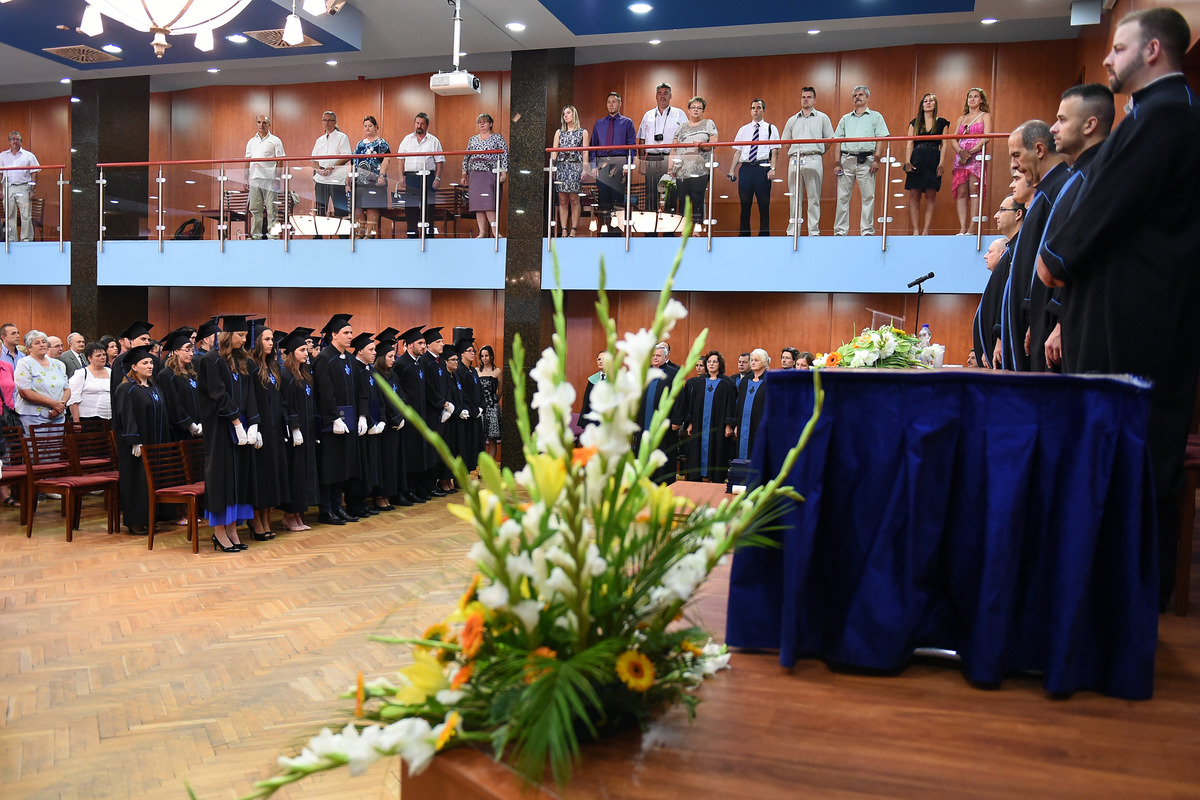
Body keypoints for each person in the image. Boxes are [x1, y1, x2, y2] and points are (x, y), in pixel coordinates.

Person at [1037, 7, 1200, 610]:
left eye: (1118, 47)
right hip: (1125, 315)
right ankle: (1108, 592)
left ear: (1153, 50)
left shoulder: (1166, 115)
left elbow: (1106, 204)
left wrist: (1055, 259)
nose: (1107, 58)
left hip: (1140, 323)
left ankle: (1127, 601)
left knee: (1133, 457)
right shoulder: (1153, 113)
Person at [1034, 83, 1115, 372]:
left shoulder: (1098, 176)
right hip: (1073, 317)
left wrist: (1058, 321)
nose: (1053, 128)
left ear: (1089, 125)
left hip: (1089, 321)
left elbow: (1067, 260)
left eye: (1062, 119)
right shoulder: (1078, 175)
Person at [1002, 121, 1067, 373]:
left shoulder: (1060, 189)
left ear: (1039, 150)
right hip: (1038, 324)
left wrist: (1056, 321)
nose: (1014, 165)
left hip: (1048, 328)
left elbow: (1064, 259)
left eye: (1017, 155)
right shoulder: (1045, 193)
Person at [197, 315, 259, 552]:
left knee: (239, 476)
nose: (243, 340)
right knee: (222, 477)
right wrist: (235, 422)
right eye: (240, 335)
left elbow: (250, 393)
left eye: (245, 335)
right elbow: (218, 394)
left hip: (241, 426)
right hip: (221, 428)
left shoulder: (241, 360)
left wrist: (253, 423)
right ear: (227, 335)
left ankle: (233, 528)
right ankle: (219, 532)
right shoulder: (211, 360)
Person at [113, 345, 169, 536]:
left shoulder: (153, 387)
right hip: (136, 445)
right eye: (145, 363)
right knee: (137, 481)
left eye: (151, 362)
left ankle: (151, 517)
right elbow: (126, 415)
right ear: (134, 367)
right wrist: (134, 439)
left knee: (151, 480)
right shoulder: (126, 389)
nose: (150, 366)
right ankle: (135, 520)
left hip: (155, 442)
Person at [311, 313, 361, 525]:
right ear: (334, 335)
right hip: (330, 424)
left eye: (351, 332)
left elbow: (357, 390)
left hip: (348, 422)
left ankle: (338, 507)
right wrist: (333, 418)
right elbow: (324, 391)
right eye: (346, 333)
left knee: (343, 466)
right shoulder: (324, 358)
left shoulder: (350, 359)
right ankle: (326, 509)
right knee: (330, 467)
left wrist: (361, 416)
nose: (350, 336)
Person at [973, 187, 1027, 370]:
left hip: (1007, 347)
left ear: (1018, 214)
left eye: (1002, 210)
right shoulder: (1012, 250)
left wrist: (1000, 338)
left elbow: (1011, 297)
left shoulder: (1019, 251)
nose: (996, 215)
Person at [248, 324, 288, 539]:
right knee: (260, 476)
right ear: (256, 342)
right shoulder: (250, 366)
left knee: (271, 474)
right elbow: (250, 399)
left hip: (274, 430)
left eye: (272, 339)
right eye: (266, 339)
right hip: (259, 430)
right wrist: (255, 426)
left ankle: (265, 518)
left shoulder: (272, 367)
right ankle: (255, 519)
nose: (271, 343)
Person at [833, 85, 889, 236]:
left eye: (861, 94)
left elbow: (881, 139)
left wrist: (877, 160)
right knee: (842, 197)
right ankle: (840, 231)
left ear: (868, 98)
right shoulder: (845, 118)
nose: (857, 97)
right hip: (847, 159)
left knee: (868, 196)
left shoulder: (876, 117)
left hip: (867, 159)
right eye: (855, 95)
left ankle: (867, 231)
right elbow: (837, 141)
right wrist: (837, 162)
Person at [278, 327, 318, 532]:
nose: (306, 353)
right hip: (295, 434)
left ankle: (299, 515)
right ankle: (289, 516)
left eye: (306, 350)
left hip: (308, 432)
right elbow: (286, 404)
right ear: (292, 352)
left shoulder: (305, 374)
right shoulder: (286, 374)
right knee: (295, 475)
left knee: (304, 475)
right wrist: (294, 427)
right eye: (302, 350)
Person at [781, 87, 835, 237]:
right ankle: (793, 232)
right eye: (803, 97)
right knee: (794, 197)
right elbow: (785, 142)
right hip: (795, 159)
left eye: (809, 97)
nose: (805, 99)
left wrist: (818, 151)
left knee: (814, 197)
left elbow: (830, 140)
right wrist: (794, 153)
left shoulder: (822, 118)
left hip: (813, 158)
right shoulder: (792, 120)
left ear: (814, 100)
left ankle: (813, 232)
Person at [726, 99, 780, 236]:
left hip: (762, 168)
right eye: (753, 108)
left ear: (764, 110)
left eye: (758, 107)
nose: (755, 110)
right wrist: (732, 170)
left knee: (763, 204)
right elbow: (738, 152)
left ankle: (764, 235)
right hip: (745, 169)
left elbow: (774, 151)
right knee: (745, 204)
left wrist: (773, 169)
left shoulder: (770, 128)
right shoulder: (744, 129)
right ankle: (744, 235)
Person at [638, 82, 687, 228]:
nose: (662, 96)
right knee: (651, 196)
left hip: (670, 159)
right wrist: (641, 162)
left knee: (670, 195)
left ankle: (668, 232)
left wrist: (680, 162)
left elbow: (685, 138)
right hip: (652, 158)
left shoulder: (679, 114)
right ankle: (650, 231)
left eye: (666, 93)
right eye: (659, 93)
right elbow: (641, 140)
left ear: (671, 96)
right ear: (656, 96)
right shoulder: (648, 115)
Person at [682, 351, 736, 482]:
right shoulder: (699, 383)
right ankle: (698, 480)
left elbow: (731, 405)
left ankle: (715, 481)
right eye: (709, 362)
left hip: (718, 427)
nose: (711, 364)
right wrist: (690, 423)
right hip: (699, 426)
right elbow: (693, 404)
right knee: (697, 453)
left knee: (717, 453)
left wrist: (729, 424)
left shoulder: (727, 383)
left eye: (714, 362)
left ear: (720, 364)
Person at [371, 332, 411, 509]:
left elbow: (401, 397)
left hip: (397, 425)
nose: (393, 360)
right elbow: (381, 401)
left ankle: (393, 493)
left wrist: (402, 415)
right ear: (381, 358)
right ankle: (380, 496)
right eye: (389, 356)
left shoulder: (393, 375)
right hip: (385, 426)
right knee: (385, 461)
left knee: (396, 461)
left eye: (393, 356)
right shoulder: (376, 376)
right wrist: (394, 418)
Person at [345, 331, 382, 519]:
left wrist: (379, 419)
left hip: (371, 425)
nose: (375, 353)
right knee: (358, 467)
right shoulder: (355, 369)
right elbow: (359, 398)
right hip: (359, 425)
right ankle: (355, 504)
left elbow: (376, 398)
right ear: (360, 351)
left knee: (369, 466)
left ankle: (364, 501)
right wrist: (365, 418)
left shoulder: (370, 370)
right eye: (371, 349)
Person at [903, 93, 950, 236]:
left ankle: (926, 230)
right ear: (922, 104)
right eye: (925, 101)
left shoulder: (942, 122)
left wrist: (941, 164)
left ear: (935, 104)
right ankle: (916, 230)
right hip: (917, 158)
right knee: (914, 196)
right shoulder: (914, 122)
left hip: (933, 159)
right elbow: (909, 143)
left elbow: (944, 145)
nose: (928, 103)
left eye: (931, 101)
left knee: (931, 196)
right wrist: (907, 161)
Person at [590, 92, 637, 237]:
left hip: (619, 163)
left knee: (617, 201)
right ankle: (604, 233)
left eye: (614, 101)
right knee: (604, 201)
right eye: (609, 102)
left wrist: (628, 165)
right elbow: (593, 146)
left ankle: (616, 234)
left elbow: (632, 147)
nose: (611, 104)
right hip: (602, 164)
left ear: (620, 104)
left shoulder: (627, 122)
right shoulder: (599, 123)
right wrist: (593, 166)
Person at [396, 325, 433, 502]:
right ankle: (406, 490)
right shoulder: (401, 364)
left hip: (420, 416)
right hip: (408, 418)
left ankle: (415, 488)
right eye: (420, 343)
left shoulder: (419, 364)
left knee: (418, 454)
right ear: (409, 345)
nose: (424, 347)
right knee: (408, 455)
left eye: (424, 343)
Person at [951, 88, 994, 236]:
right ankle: (962, 228)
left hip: (977, 155)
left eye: (976, 96)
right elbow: (953, 139)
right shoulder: (961, 118)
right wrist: (961, 151)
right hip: (961, 157)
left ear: (981, 100)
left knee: (974, 189)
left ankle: (972, 228)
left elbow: (987, 136)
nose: (972, 99)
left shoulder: (985, 116)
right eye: (970, 96)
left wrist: (972, 151)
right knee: (961, 191)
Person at [669, 97, 718, 228]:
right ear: (688, 110)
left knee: (697, 199)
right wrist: (670, 168)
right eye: (693, 107)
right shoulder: (681, 127)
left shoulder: (708, 123)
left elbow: (714, 143)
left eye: (699, 108)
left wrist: (702, 145)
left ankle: (697, 229)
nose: (696, 110)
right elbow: (673, 149)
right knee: (683, 201)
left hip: (700, 169)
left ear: (703, 111)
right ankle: (683, 229)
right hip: (681, 170)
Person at [395, 112, 445, 239]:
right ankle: (412, 235)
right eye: (417, 123)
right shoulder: (407, 139)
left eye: (422, 123)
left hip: (428, 177)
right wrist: (401, 177)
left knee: (428, 207)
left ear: (427, 125)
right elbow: (400, 160)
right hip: (411, 177)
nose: (419, 126)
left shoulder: (434, 141)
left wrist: (437, 178)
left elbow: (439, 162)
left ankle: (428, 236)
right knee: (410, 207)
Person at [420, 327, 456, 495]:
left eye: (442, 341)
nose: (442, 344)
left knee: (440, 449)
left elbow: (447, 385)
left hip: (443, 412)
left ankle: (436, 482)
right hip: (431, 412)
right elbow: (428, 388)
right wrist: (442, 403)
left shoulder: (441, 362)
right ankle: (428, 485)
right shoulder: (425, 362)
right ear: (429, 345)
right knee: (431, 450)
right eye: (438, 342)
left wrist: (447, 405)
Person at [462, 113, 508, 239]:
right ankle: (482, 232)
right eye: (479, 122)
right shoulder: (472, 139)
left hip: (490, 173)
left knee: (489, 204)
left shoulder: (497, 138)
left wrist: (503, 172)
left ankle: (495, 231)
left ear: (490, 124)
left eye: (484, 122)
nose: (481, 124)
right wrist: (464, 174)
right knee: (478, 205)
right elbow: (466, 157)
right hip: (475, 174)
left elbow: (504, 155)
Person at [14, 329, 69, 431]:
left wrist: (60, 405)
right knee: (36, 441)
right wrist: (54, 404)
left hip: (58, 414)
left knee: (56, 441)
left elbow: (67, 389)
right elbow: (25, 392)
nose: (42, 345)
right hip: (34, 417)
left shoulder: (58, 364)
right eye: (37, 343)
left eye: (44, 342)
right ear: (29, 348)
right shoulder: (24, 363)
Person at [155, 328, 202, 441]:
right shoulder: (166, 375)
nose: (191, 354)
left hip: (198, 429)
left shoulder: (192, 373)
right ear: (176, 351)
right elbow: (172, 404)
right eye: (187, 351)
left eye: (192, 351)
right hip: (180, 432)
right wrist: (188, 424)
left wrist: (201, 422)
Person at [246, 114, 286, 239]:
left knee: (272, 208)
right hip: (254, 179)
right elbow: (247, 160)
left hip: (269, 179)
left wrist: (277, 178)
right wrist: (245, 178)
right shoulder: (251, 142)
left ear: (269, 125)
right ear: (256, 124)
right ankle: (256, 235)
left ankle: (273, 235)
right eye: (259, 122)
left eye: (264, 122)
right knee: (255, 209)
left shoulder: (275, 140)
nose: (261, 125)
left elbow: (280, 161)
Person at [310, 110, 352, 229]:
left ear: (335, 122)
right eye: (325, 120)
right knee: (320, 210)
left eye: (330, 120)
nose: (327, 123)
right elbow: (313, 159)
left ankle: (343, 236)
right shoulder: (320, 140)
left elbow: (346, 156)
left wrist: (332, 167)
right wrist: (318, 169)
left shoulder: (342, 137)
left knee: (340, 209)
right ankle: (318, 235)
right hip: (321, 179)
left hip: (336, 179)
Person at [551, 106, 588, 238]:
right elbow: (554, 151)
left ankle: (574, 229)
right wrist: (553, 167)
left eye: (568, 113)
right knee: (562, 199)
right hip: (562, 166)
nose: (565, 116)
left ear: (574, 114)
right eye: (564, 114)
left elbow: (585, 152)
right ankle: (564, 229)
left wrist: (585, 169)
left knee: (574, 198)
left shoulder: (582, 132)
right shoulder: (559, 132)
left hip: (575, 166)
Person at [352, 115, 391, 239]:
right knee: (357, 207)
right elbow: (352, 160)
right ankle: (360, 233)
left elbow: (386, 159)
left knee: (371, 206)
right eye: (365, 126)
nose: (367, 128)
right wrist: (349, 176)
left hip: (375, 181)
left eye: (370, 126)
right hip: (359, 181)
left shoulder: (381, 142)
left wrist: (382, 175)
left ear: (376, 127)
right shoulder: (360, 144)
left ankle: (369, 234)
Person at [1, 131, 40, 242]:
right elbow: (0, 174)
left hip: (24, 187)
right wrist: (0, 190)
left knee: (26, 215)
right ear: (9, 141)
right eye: (13, 139)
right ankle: (11, 239)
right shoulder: (2, 156)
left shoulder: (28, 156)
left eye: (17, 139)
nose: (15, 141)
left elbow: (34, 173)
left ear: (21, 141)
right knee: (9, 214)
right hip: (8, 187)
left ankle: (26, 239)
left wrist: (32, 190)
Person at [733, 348, 769, 462]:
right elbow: (739, 403)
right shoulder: (745, 381)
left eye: (756, 360)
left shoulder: (770, 381)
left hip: (760, 425)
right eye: (752, 360)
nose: (753, 362)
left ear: (765, 362)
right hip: (743, 425)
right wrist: (737, 424)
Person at [68, 341, 112, 424]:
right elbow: (73, 399)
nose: (102, 357)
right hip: (88, 419)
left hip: (109, 418)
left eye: (104, 355)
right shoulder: (82, 373)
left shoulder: (111, 372)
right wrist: (76, 422)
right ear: (90, 358)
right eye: (98, 356)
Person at [477, 344, 501, 461]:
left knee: (492, 438)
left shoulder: (497, 371)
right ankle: (481, 464)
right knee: (480, 437)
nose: (484, 358)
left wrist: (494, 402)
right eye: (482, 356)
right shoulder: (476, 371)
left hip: (492, 407)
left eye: (486, 356)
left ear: (491, 356)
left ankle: (490, 464)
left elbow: (501, 390)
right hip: (480, 408)